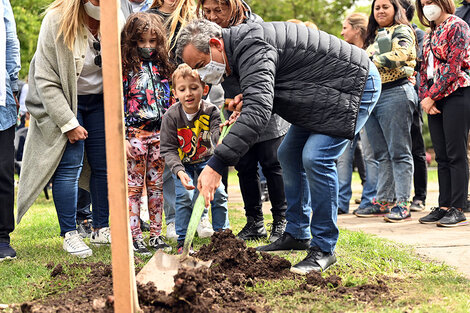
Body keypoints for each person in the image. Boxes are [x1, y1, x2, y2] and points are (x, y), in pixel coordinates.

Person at [176, 19, 381, 274]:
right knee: (289, 154)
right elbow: (272, 87)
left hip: (353, 86)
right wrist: (249, 99)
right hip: (322, 93)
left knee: (316, 157)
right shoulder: (241, 48)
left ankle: (324, 248)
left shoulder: (251, 45)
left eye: (201, 64)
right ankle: (296, 233)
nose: (204, 73)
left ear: (216, 44)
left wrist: (216, 164)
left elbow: (259, 112)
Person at [17, 0, 126, 258]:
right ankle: (70, 233)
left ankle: (101, 227)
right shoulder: (56, 20)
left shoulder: (116, 16)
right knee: (69, 164)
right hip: (66, 99)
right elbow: (44, 78)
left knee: (104, 165)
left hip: (100, 100)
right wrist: (68, 122)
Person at [199, 0, 289, 242]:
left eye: (219, 10)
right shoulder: (208, 34)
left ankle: (281, 221)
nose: (212, 16)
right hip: (234, 105)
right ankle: (254, 222)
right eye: (207, 11)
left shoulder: (255, 27)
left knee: (272, 162)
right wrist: (229, 102)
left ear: (234, 6)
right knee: (244, 163)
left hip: (264, 101)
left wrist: (252, 98)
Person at [148, 0, 214, 239]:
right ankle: (175, 219)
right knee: (169, 158)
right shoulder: (151, 17)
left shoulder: (194, 18)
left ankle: (201, 216)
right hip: (162, 94)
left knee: (200, 153)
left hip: (192, 92)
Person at [354, 0, 417, 223]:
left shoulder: (402, 30)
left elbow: (401, 54)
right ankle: (383, 201)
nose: (380, 10)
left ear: (396, 9)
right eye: (377, 7)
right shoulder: (375, 35)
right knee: (381, 154)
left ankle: (403, 203)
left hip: (395, 93)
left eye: (385, 6)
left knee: (399, 151)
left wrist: (368, 59)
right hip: (374, 97)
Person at [160, 63, 230, 254]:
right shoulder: (171, 116)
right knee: (184, 197)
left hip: (207, 161)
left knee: (220, 194)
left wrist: (223, 132)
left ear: (204, 89)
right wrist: (179, 171)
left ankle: (222, 237)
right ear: (175, 93)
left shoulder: (212, 111)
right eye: (182, 89)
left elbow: (216, 135)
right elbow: (168, 148)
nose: (188, 93)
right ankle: (184, 240)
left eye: (194, 88)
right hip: (183, 165)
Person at [122, 12, 174, 255]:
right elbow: (118, 103)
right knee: (133, 188)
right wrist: (122, 136)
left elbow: (171, 100)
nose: (147, 47)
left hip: (160, 134)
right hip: (135, 133)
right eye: (141, 41)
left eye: (152, 41)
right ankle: (134, 236)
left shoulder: (164, 67)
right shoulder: (125, 68)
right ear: (132, 41)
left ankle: (156, 234)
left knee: (156, 187)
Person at [416, 0, 470, 227]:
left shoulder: (457, 25)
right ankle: (444, 205)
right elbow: (422, 69)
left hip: (457, 93)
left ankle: (458, 208)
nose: (427, 5)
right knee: (441, 155)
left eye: (431, 1)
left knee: (456, 152)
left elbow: (453, 66)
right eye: (423, 2)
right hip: (433, 99)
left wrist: (432, 96)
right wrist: (424, 98)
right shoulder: (429, 33)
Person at [337, 12, 379, 215]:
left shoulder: (374, 49)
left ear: (357, 29)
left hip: (368, 108)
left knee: (371, 155)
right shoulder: (343, 52)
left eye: (345, 27)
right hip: (346, 109)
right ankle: (340, 201)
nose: (342, 32)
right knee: (342, 157)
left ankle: (369, 199)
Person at [400, 0, 428, 212]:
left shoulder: (418, 35)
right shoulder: (386, 34)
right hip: (393, 98)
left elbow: (420, 68)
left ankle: (420, 196)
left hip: (414, 97)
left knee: (416, 148)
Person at [0, 0, 20, 261]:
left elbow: (11, 42)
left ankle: (2, 236)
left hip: (0, 99)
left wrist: (13, 84)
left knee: (2, 169)